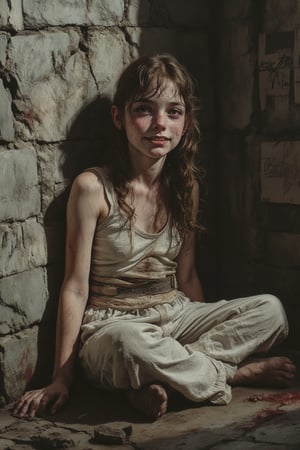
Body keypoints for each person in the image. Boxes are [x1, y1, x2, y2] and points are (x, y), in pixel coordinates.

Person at [13, 54, 296, 420]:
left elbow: (188, 275)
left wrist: (202, 326)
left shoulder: (184, 186)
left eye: (174, 112)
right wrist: (61, 378)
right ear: (119, 118)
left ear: (186, 122)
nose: (160, 124)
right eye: (145, 109)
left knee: (271, 311)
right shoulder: (92, 187)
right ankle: (232, 374)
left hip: (175, 316)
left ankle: (160, 382)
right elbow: (75, 287)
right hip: (113, 326)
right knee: (127, 347)